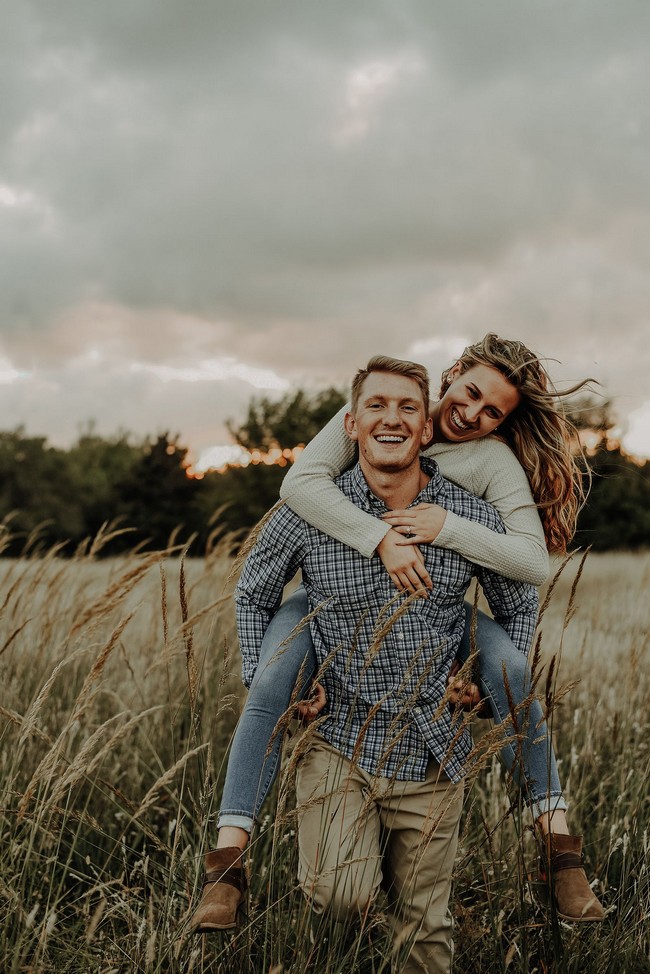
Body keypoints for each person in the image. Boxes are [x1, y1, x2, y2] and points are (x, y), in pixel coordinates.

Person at [190, 336, 604, 934]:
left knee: (512, 671)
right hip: (331, 598)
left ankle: (559, 850)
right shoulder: (390, 409)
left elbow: (529, 569)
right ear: (453, 375)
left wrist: (447, 526)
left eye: (494, 412)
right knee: (271, 677)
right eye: (469, 394)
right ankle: (227, 865)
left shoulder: (491, 462)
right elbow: (300, 485)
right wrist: (378, 538)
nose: (473, 414)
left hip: (437, 609)